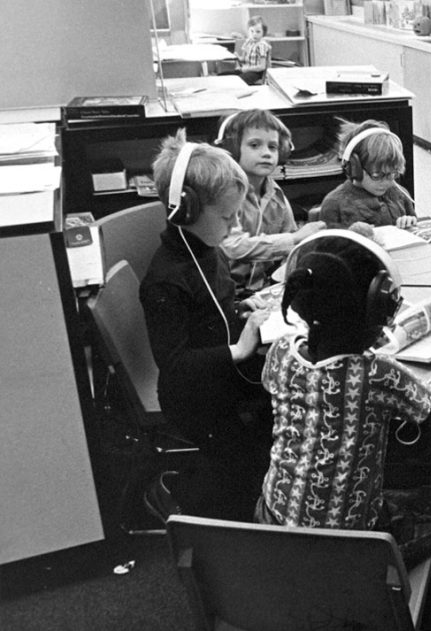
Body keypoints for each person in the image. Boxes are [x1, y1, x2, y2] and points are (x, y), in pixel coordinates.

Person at [255, 229, 431, 567]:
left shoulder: (281, 351)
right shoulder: (377, 373)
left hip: (271, 526)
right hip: (348, 552)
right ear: (378, 308)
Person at [140, 130, 274, 522]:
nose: (235, 224)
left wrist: (244, 306)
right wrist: (240, 349)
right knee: (250, 466)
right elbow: (175, 365)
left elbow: (215, 304)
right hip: (195, 399)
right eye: (228, 217)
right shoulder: (165, 281)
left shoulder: (206, 249)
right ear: (186, 210)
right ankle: (171, 491)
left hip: (221, 374)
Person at [216, 109, 326, 294]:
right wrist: (293, 239)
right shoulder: (225, 194)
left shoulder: (276, 194)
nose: (266, 153)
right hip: (228, 292)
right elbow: (232, 247)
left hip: (266, 288)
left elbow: (291, 235)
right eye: (255, 145)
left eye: (273, 147)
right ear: (232, 149)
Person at [318, 120, 419, 230]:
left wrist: (409, 222)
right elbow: (328, 240)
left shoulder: (400, 194)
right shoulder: (334, 204)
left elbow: (414, 228)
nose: (386, 182)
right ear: (355, 168)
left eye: (391, 174)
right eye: (377, 176)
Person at [236, 16, 272, 86]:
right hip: (246, 69)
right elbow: (243, 59)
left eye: (258, 32)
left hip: (257, 72)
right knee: (226, 76)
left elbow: (262, 66)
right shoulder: (248, 42)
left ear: (263, 33)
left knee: (237, 81)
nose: (254, 34)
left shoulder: (261, 45)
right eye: (251, 31)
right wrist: (237, 57)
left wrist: (247, 69)